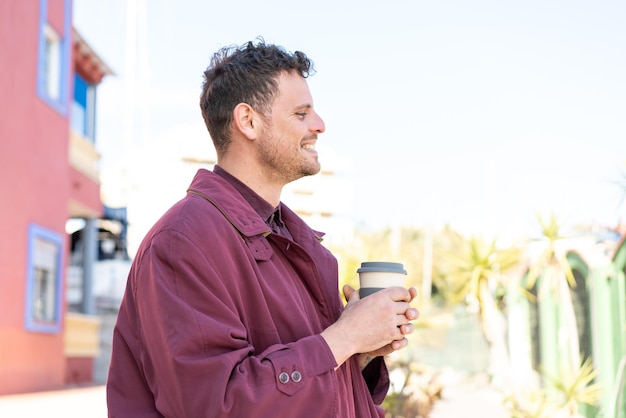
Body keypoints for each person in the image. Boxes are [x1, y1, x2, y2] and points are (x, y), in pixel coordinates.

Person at [106, 38, 419, 418]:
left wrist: (362, 348)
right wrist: (344, 337)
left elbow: (314, 382)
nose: (319, 125)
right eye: (301, 113)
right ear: (248, 121)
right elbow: (212, 405)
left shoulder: (301, 246)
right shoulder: (183, 242)